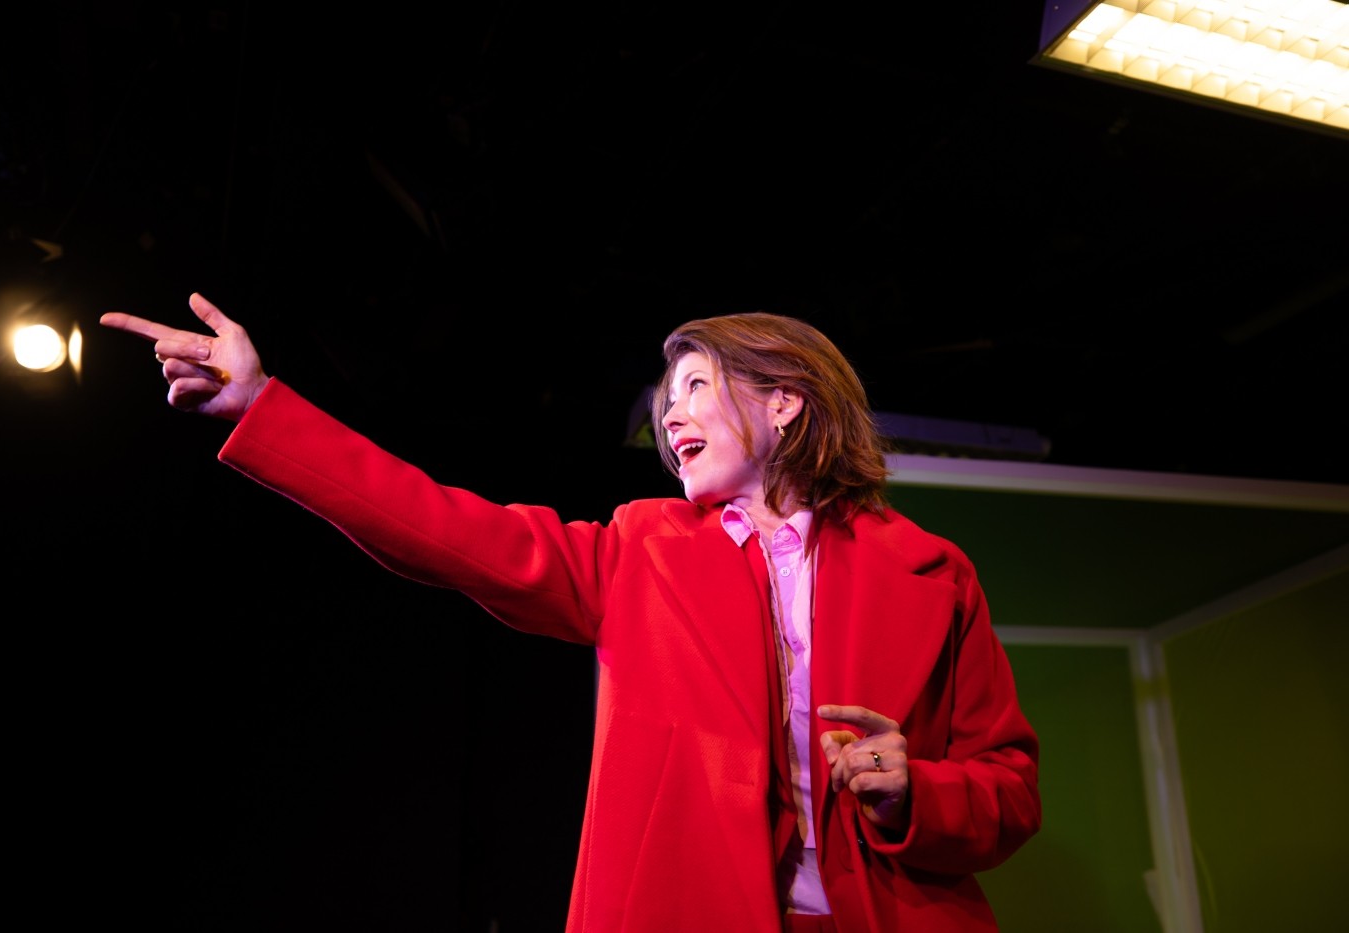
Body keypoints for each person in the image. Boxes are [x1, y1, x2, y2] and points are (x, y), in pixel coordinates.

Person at [101, 292, 1041, 933]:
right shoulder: (639, 549)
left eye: (697, 387)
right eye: (665, 401)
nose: (671, 417)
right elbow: (437, 524)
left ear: (786, 401)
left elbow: (1011, 787)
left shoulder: (931, 573)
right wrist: (262, 407)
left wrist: (918, 791)